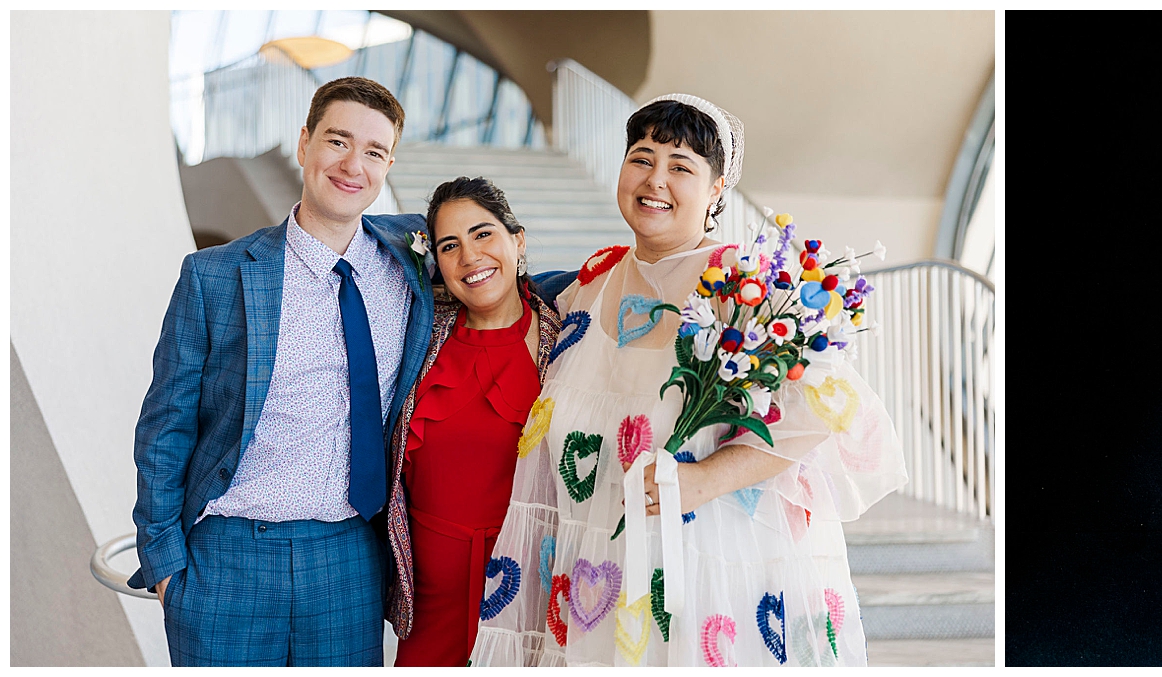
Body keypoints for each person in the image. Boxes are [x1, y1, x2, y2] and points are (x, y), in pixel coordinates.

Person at [468, 94, 906, 666]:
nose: (655, 180)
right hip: (592, 573)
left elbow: (828, 409)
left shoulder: (748, 290)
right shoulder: (588, 287)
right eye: (642, 158)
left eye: (681, 166)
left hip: (711, 575)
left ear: (717, 188)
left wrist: (705, 481)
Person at [130, 76, 432, 666]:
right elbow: (164, 430)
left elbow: (497, 270)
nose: (353, 165)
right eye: (338, 141)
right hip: (228, 556)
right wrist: (168, 568)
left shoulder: (411, 263)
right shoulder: (213, 276)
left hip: (347, 557)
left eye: (373, 152)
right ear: (304, 144)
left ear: (390, 163)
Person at [382, 178, 564, 665]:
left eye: (483, 235)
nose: (469, 257)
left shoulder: (564, 336)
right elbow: (367, 232)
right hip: (429, 602)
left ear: (517, 240)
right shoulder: (419, 331)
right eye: (449, 245)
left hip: (525, 590)